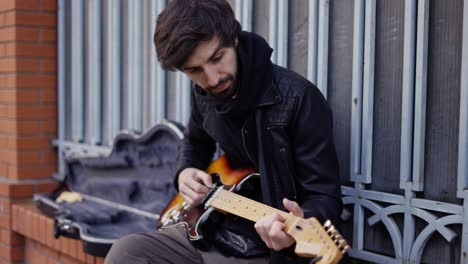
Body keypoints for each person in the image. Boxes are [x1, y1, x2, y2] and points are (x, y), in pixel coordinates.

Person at [105, 0, 343, 263]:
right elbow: (194, 142)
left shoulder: (300, 98)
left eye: (217, 58)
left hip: (268, 246)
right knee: (126, 253)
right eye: (194, 70)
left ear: (235, 38)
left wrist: (297, 224)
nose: (212, 79)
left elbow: (324, 195)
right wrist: (185, 170)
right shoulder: (205, 93)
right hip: (213, 227)